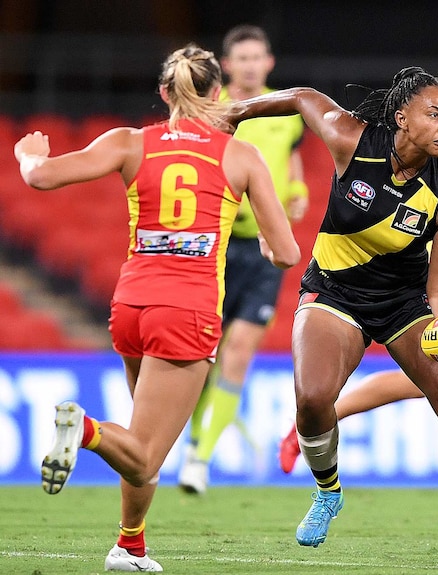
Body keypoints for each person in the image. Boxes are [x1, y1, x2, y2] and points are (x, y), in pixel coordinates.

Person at [225, 66, 438, 559]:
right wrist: (237, 112)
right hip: (333, 293)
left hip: (404, 303)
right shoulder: (351, 140)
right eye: (433, 113)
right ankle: (328, 491)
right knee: (312, 399)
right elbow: (304, 96)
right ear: (401, 116)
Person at [20, 44, 301, 572]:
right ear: (218, 93)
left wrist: (26, 152)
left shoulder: (129, 142)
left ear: (164, 93)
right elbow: (286, 253)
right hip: (188, 309)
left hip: (130, 305)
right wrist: (267, 244)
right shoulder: (238, 155)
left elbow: (39, 176)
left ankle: (130, 545)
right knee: (145, 453)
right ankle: (82, 429)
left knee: (140, 438)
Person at [178, 24, 309, 495]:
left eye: (259, 57)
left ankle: (200, 458)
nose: (252, 65)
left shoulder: (286, 112)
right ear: (228, 66)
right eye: (243, 58)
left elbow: (290, 158)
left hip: (261, 250)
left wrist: (296, 190)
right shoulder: (214, 111)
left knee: (237, 354)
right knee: (204, 353)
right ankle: (196, 436)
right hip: (213, 243)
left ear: (269, 62)